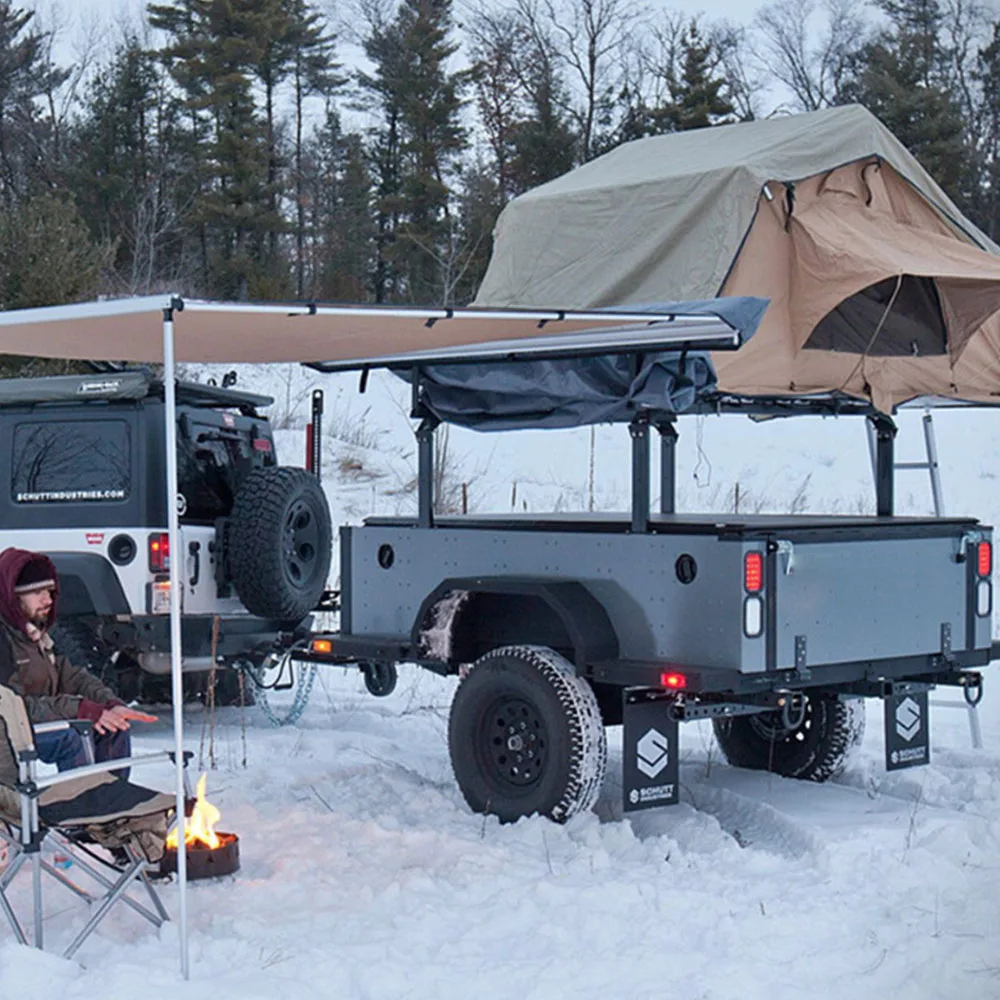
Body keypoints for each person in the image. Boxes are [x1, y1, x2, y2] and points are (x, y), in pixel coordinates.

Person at [0, 547, 157, 776]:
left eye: (50, 591)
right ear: (13, 597)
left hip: (33, 721)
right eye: (37, 593)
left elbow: (72, 677)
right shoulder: (3, 640)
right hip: (8, 728)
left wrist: (111, 704)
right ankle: (81, 804)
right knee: (69, 737)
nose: (48, 600)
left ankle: (112, 801)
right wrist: (80, 708)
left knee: (112, 728)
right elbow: (15, 708)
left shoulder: (34, 633)